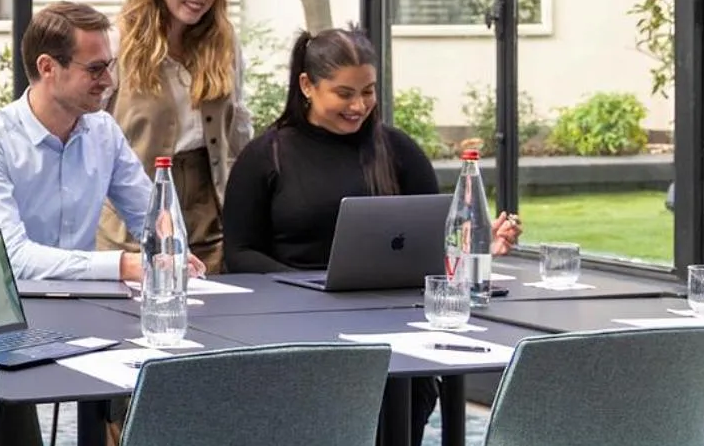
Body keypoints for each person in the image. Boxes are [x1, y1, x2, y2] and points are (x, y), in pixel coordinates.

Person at [0, 2, 205, 446]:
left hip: (81, 307)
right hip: (3, 310)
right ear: (48, 68)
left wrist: (173, 249)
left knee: (156, 384)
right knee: (2, 394)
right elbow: (10, 259)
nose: (109, 80)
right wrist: (121, 264)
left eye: (110, 66)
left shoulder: (103, 131)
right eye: (96, 70)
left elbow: (151, 215)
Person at [222, 27, 521, 274]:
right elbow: (240, 253)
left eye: (368, 91)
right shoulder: (264, 156)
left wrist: (477, 246)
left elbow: (431, 240)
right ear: (307, 85)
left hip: (391, 306)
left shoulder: (399, 150)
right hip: (291, 306)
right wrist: (308, 284)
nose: (359, 106)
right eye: (344, 94)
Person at [99, 0, 252, 272]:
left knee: (213, 311)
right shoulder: (118, 40)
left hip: (207, 210)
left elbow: (239, 126)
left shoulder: (223, 42)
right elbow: (88, 129)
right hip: (132, 212)